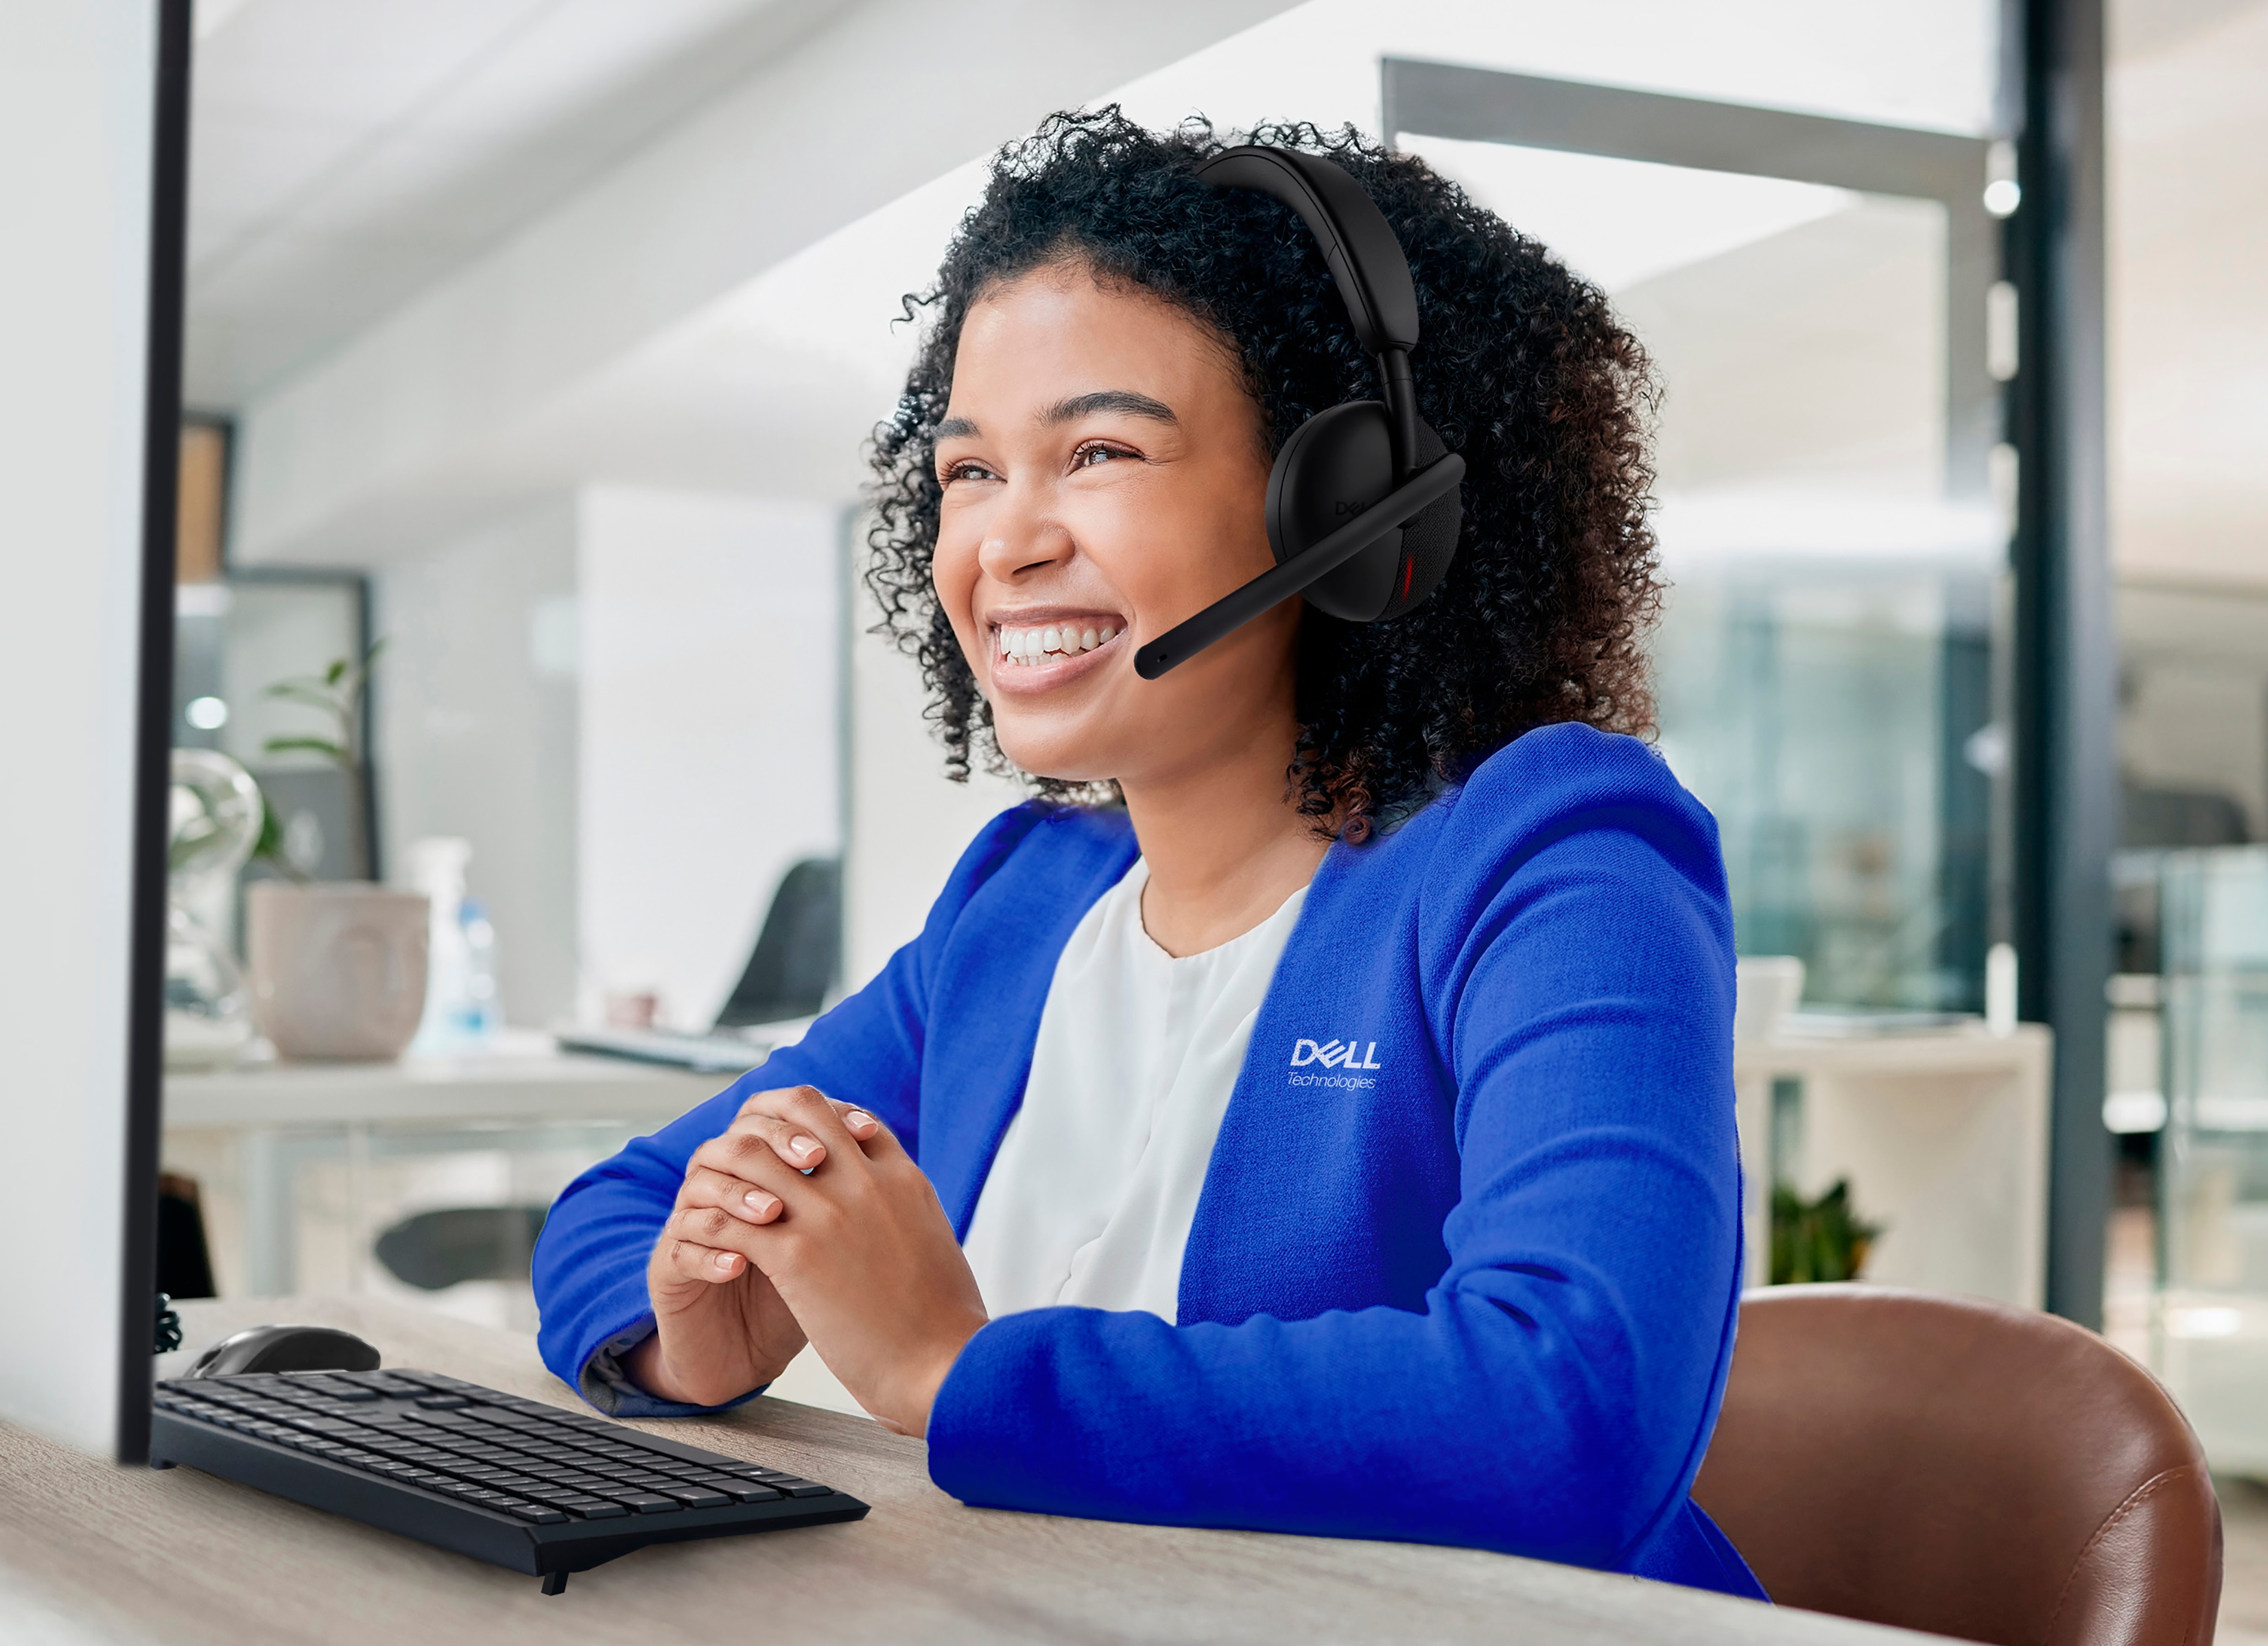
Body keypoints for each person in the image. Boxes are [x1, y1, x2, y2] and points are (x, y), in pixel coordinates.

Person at [532, 109, 1760, 1597]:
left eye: (1099, 451)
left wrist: (951, 1370)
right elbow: (616, 1211)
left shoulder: (1551, 860)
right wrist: (690, 1327)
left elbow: (1569, 1410)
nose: (1004, 543)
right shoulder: (1023, 904)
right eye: (970, 471)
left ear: (1352, 505)